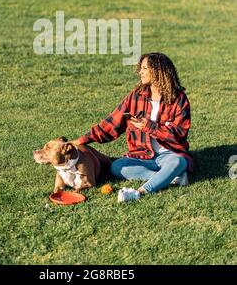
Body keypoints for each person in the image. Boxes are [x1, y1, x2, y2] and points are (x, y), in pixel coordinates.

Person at [73, 52, 192, 202]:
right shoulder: (135, 96)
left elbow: (179, 134)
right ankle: (170, 177)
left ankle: (140, 192)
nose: (140, 72)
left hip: (169, 154)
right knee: (116, 167)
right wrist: (83, 140)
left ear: (158, 71)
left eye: (144, 68)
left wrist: (150, 126)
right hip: (142, 155)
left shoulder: (179, 99)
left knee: (179, 162)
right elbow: (111, 124)